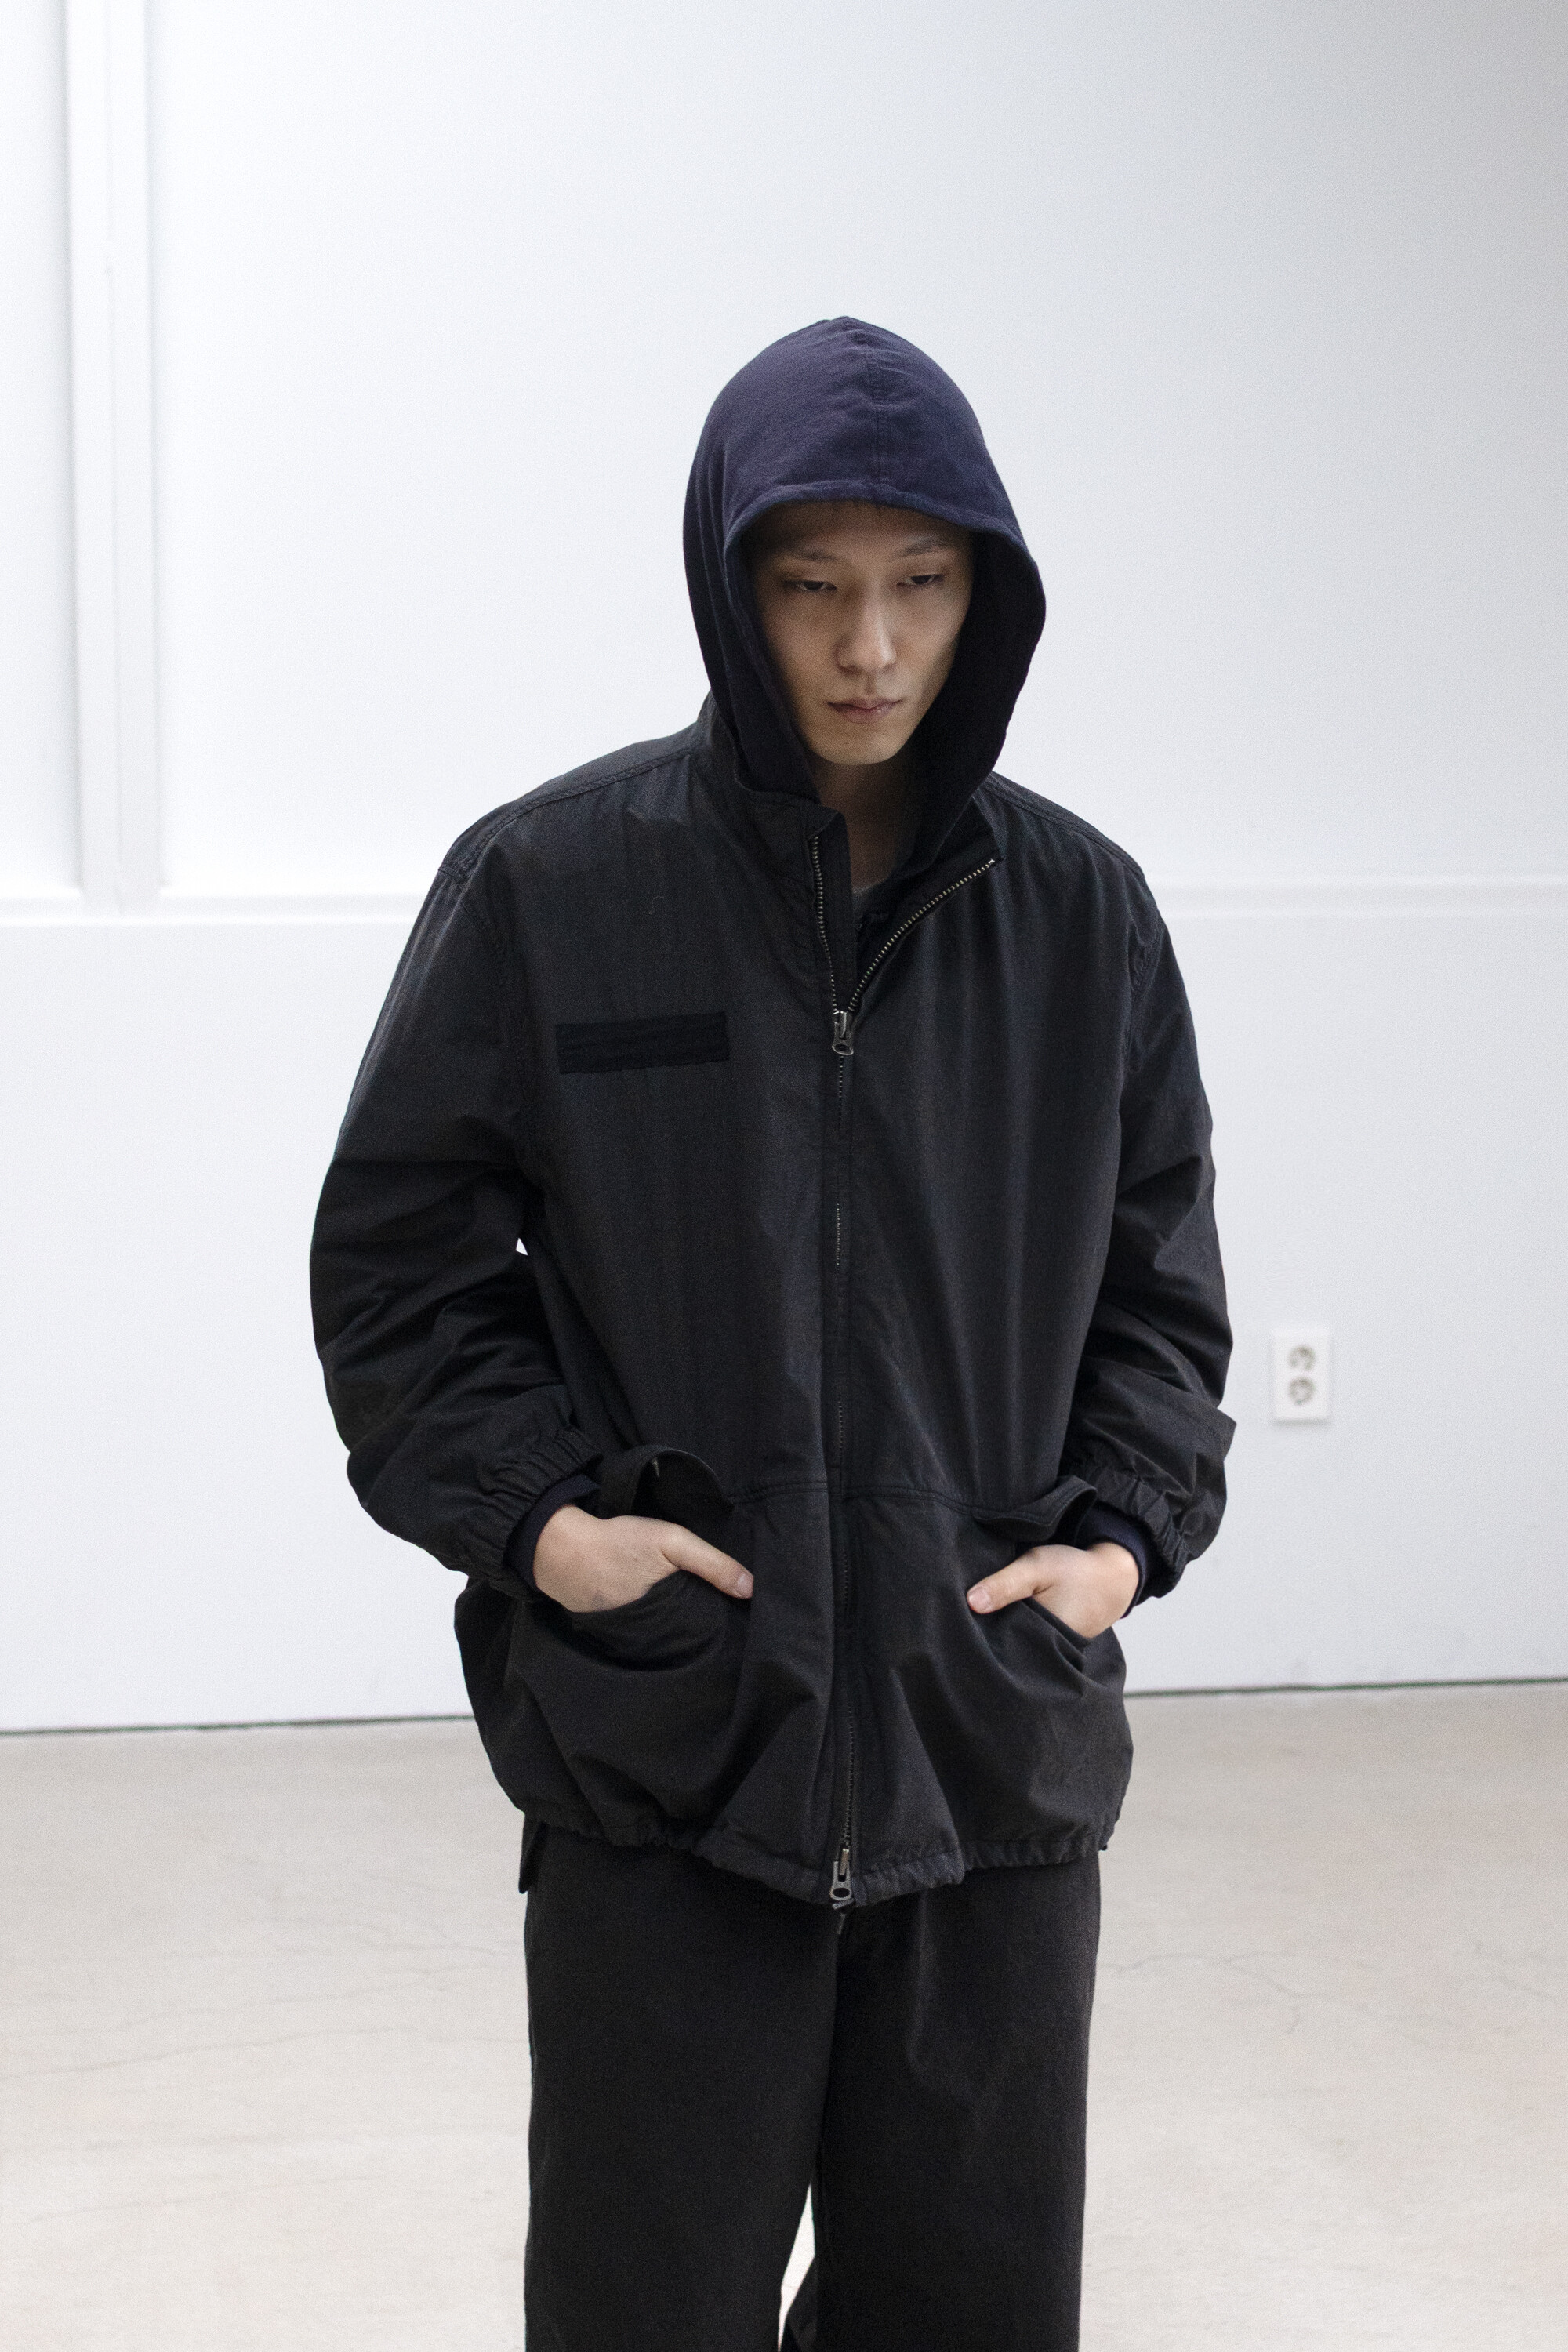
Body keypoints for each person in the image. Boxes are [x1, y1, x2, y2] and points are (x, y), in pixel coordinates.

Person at [310, 317, 1232, 2350]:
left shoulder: (1082, 918)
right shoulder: (552, 885)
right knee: (645, 2312)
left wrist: (1119, 1543)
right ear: (732, 586)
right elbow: (398, 1264)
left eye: (921, 584)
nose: (871, 647)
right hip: (675, 1760)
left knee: (970, 2316)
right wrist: (548, 1530)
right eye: (813, 586)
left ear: (988, 593)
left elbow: (1163, 1286)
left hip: (982, 1755)